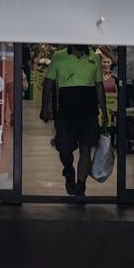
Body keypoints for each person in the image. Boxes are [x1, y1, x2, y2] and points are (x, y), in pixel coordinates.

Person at [40, 45, 108, 201]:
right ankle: (69, 170)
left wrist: (104, 112)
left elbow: (99, 86)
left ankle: (80, 187)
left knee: (86, 150)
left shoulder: (94, 59)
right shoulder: (59, 56)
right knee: (64, 148)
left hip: (89, 113)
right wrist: (45, 108)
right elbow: (48, 83)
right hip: (65, 113)